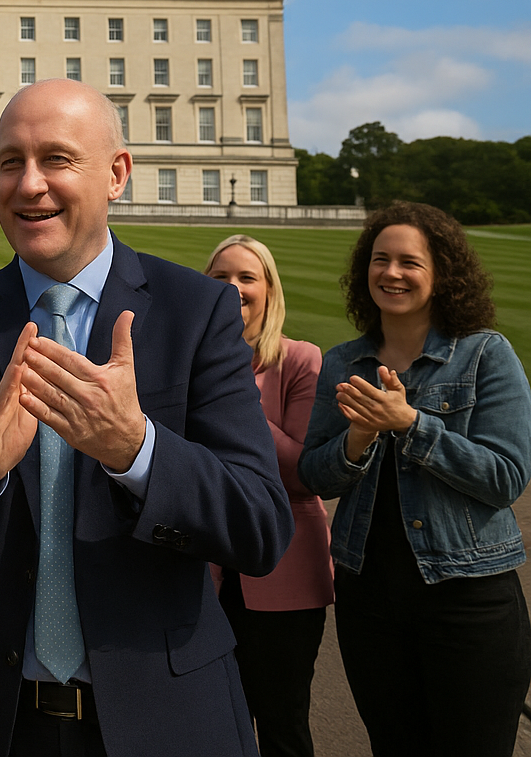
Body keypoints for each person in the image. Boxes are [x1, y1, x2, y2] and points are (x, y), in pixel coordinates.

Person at [0, 78, 291, 757]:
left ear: (117, 174)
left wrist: (137, 449)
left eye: (57, 159)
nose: (28, 184)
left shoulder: (197, 312)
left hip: (164, 721)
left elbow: (260, 525)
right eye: (10, 162)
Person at [298, 202, 531, 757]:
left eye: (409, 262)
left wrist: (410, 425)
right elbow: (313, 473)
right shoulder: (344, 362)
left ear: (442, 274)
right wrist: (355, 442)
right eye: (381, 260)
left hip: (468, 599)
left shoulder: (484, 354)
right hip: (370, 598)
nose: (392, 273)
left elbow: (505, 478)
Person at [204, 235, 331, 757]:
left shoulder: (300, 360)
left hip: (285, 573)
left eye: (246, 277)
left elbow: (304, 471)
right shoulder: (192, 364)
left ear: (269, 290)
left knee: (282, 725)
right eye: (219, 278)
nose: (233, 288)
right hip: (205, 569)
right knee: (214, 724)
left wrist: (233, 391)